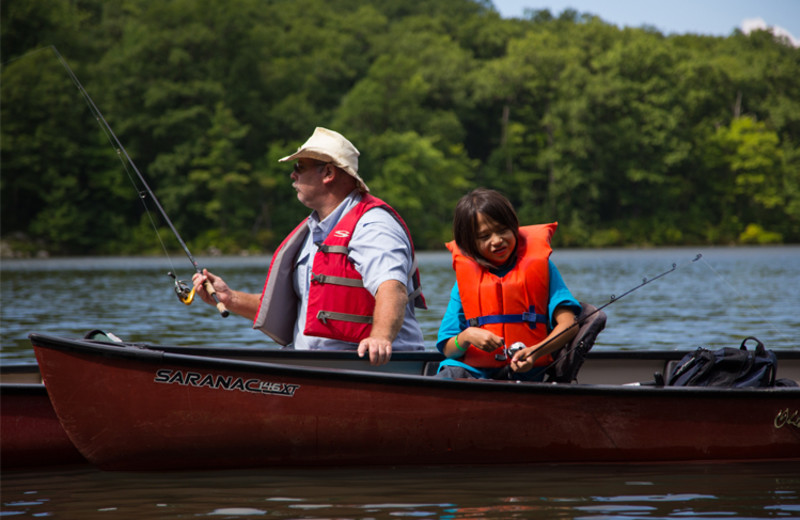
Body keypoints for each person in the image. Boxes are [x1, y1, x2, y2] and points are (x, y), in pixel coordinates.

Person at [193, 127, 426, 366]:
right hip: (316, 367)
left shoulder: (374, 225)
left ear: (327, 172)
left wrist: (380, 337)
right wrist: (229, 298)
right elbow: (303, 310)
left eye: (299, 168)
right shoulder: (313, 231)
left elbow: (392, 288)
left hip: (373, 368)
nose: (293, 176)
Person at [435, 188, 581, 380]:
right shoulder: (464, 280)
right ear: (469, 243)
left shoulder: (543, 268)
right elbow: (448, 349)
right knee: (450, 375)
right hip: (473, 372)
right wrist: (467, 336)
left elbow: (569, 324)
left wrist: (535, 352)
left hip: (524, 371)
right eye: (484, 236)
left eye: (502, 230)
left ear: (514, 227)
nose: (497, 241)